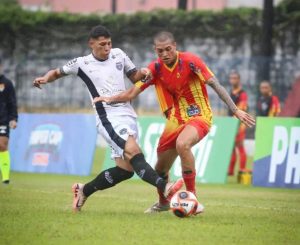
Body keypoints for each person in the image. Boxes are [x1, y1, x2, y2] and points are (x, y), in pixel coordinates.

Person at [93, 31, 255, 213]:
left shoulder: (191, 61)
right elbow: (131, 93)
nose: (164, 54)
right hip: (175, 120)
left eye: (168, 49)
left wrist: (235, 110)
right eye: (160, 51)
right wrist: (108, 99)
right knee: (160, 167)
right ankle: (163, 203)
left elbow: (215, 83)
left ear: (175, 46)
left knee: (183, 144)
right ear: (155, 50)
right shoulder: (155, 68)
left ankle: (192, 198)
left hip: (199, 115)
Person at [33, 26, 183, 212]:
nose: (107, 48)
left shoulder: (118, 54)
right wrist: (45, 79)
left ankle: (83, 190)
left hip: (127, 114)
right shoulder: (81, 63)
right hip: (108, 117)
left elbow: (134, 76)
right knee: (133, 150)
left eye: (109, 43)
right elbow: (56, 72)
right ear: (92, 44)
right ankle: (165, 187)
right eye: (102, 44)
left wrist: (143, 73)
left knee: (125, 170)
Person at [227, 71, 248, 176]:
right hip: (231, 123)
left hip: (239, 124)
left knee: (240, 146)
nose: (233, 80)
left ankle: (242, 169)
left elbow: (242, 108)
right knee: (231, 147)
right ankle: (230, 171)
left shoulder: (242, 94)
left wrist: (234, 121)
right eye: (231, 78)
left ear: (239, 80)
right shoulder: (231, 92)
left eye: (235, 78)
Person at [0, 57, 18, 184]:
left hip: (3, 119)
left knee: (2, 145)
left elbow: (12, 102)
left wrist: (13, 118)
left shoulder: (7, 83)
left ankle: (5, 177)